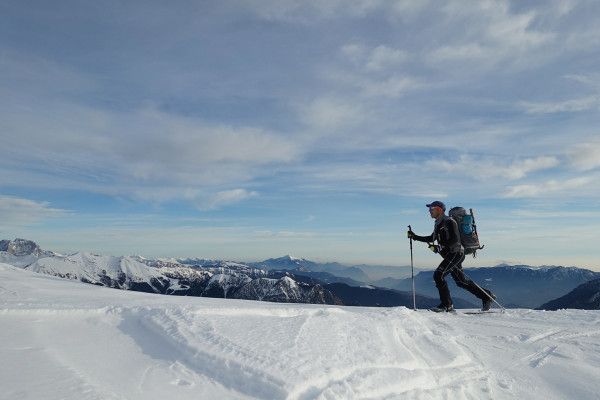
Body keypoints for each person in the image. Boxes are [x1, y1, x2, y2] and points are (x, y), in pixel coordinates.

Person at [408, 201, 496, 312]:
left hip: (456, 253)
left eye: (431, 208)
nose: (429, 210)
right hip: (451, 254)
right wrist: (414, 236)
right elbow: (432, 238)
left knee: (438, 275)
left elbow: (455, 239)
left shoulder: (449, 221)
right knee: (461, 282)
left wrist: (441, 248)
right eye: (429, 208)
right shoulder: (438, 223)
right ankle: (487, 296)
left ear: (440, 210)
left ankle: (447, 305)